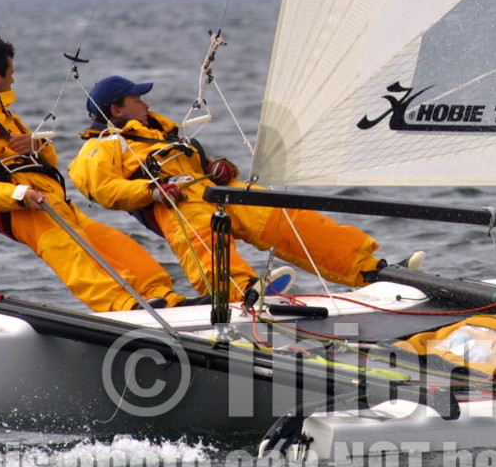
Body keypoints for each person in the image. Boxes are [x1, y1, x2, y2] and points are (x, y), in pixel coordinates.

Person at [68, 75, 411, 299]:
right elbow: (103, 190)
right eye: (136, 99)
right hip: (177, 207)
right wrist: (153, 191)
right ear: (115, 109)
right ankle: (240, 292)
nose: (145, 104)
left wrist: (222, 168)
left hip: (216, 194)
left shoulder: (164, 135)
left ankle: (367, 269)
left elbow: (204, 168)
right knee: (206, 239)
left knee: (282, 214)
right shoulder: (100, 147)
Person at [0, 36, 187, 312]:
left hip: (50, 200)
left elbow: (45, 158)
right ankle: (124, 304)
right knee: (72, 253)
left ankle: (165, 298)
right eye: (11, 73)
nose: (13, 81)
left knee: (114, 243)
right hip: (20, 209)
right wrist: (21, 194)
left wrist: (36, 145)